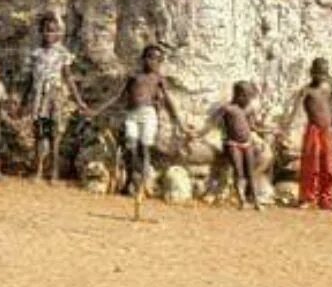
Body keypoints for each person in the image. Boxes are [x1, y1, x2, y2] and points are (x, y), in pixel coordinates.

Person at [94, 44, 189, 197]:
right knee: (130, 148)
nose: (153, 62)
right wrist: (97, 110)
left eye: (157, 59)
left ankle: (142, 185)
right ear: (143, 59)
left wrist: (178, 122)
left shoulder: (158, 78)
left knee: (145, 149)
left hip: (148, 113)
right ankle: (132, 179)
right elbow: (117, 96)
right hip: (132, 114)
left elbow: (168, 100)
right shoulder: (134, 76)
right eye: (150, 57)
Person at [21, 13, 86, 184]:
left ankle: (54, 172)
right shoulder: (36, 54)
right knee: (40, 134)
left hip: (55, 96)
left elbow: (68, 78)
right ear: (41, 32)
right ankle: (38, 170)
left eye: (53, 31)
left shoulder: (62, 53)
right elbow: (29, 79)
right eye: (46, 31)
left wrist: (78, 100)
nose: (50, 34)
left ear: (59, 34)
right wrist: (23, 101)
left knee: (55, 135)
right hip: (39, 96)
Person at [212, 81, 263, 211]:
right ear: (239, 95)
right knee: (238, 172)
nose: (249, 100)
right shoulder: (227, 109)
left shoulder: (248, 109)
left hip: (247, 143)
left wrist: (270, 130)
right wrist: (196, 134)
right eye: (247, 97)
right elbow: (211, 124)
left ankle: (256, 201)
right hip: (232, 143)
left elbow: (252, 127)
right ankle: (241, 200)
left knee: (250, 173)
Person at [296, 57, 332, 210]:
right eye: (318, 72)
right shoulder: (306, 91)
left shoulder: (327, 89)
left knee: (328, 165)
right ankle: (307, 197)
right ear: (311, 72)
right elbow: (294, 111)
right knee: (311, 164)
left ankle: (326, 198)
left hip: (327, 131)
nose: (321, 75)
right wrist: (285, 129)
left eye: (324, 72)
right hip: (313, 130)